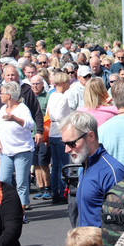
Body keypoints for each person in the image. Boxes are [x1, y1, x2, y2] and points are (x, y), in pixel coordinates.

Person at [60, 111, 124, 227]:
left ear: (90, 136)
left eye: (71, 143)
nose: (67, 150)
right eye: (64, 144)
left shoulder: (112, 171)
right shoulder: (86, 166)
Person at [0, 81, 34, 212]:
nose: (0, 95)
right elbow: (0, 128)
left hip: (22, 149)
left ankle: (22, 209)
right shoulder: (1, 109)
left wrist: (16, 119)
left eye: (2, 93)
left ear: (9, 95)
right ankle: (7, 206)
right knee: (4, 179)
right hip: (6, 150)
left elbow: (30, 125)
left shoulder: (22, 108)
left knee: (21, 182)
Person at [48, 72, 73, 203]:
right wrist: (67, 122)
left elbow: (51, 113)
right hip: (59, 133)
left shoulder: (52, 95)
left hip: (52, 132)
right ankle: (63, 192)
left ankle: (54, 192)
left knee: (56, 165)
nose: (69, 84)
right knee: (63, 165)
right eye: (68, 82)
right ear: (63, 83)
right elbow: (58, 115)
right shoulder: (63, 98)